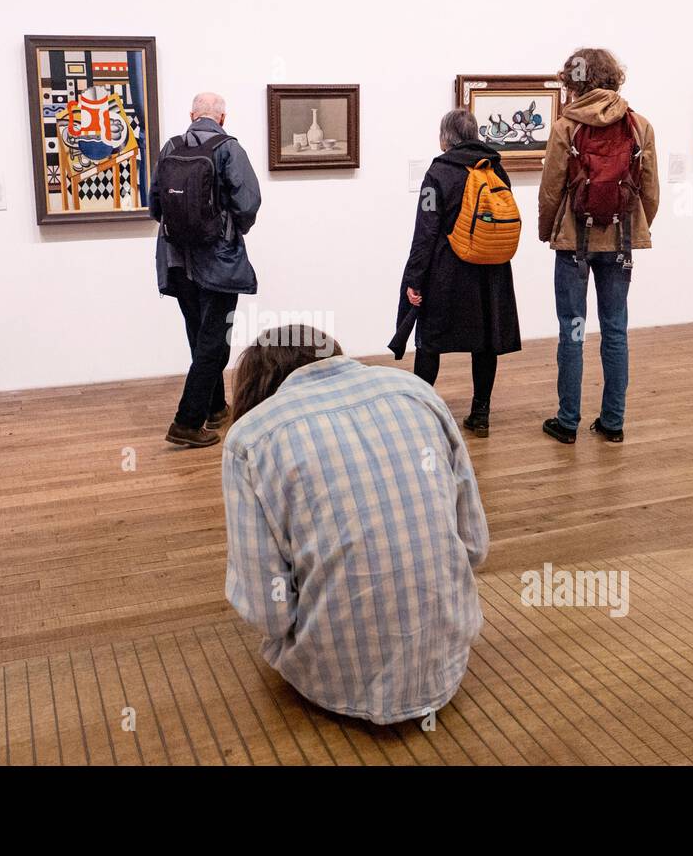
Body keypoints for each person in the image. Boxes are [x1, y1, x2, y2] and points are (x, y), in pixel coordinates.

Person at [222, 325, 489, 725]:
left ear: (256, 385)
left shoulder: (250, 438)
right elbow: (474, 546)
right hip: (447, 663)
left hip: (331, 684)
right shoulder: (417, 392)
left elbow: (269, 613)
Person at [538, 48, 659, 444]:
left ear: (573, 82)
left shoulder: (564, 128)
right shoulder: (640, 126)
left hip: (574, 240)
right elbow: (652, 192)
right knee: (616, 330)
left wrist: (548, 231)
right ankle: (613, 422)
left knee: (572, 331)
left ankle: (568, 422)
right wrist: (638, 226)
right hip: (621, 241)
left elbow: (551, 189)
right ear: (612, 77)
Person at [395, 109, 522, 437]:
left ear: (445, 138)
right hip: (491, 273)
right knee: (486, 344)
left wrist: (414, 279)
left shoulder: (439, 173)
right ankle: (481, 414)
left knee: (430, 341)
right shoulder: (495, 167)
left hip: (446, 272)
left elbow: (425, 231)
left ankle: (423, 411)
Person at [151, 92, 261, 448]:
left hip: (176, 260)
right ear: (223, 119)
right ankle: (186, 422)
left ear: (191, 115)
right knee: (215, 340)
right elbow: (249, 201)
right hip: (217, 261)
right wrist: (230, 229)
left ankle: (215, 408)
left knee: (199, 335)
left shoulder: (170, 147)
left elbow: (154, 204)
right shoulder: (228, 148)